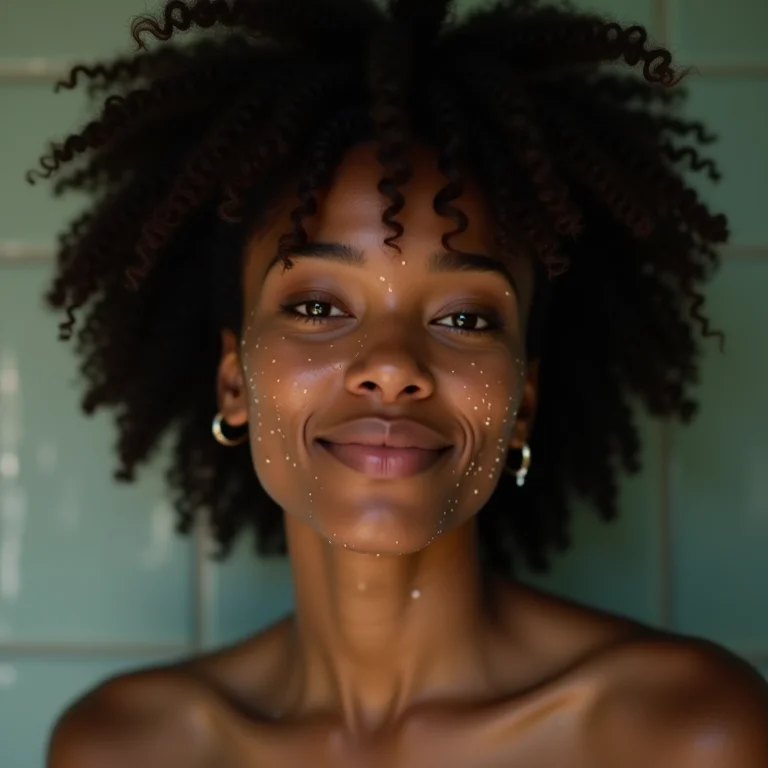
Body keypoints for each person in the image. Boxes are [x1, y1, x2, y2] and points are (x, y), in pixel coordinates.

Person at [31, 0, 767, 765]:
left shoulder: (684, 733)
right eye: (316, 306)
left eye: (467, 318)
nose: (391, 364)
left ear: (522, 402)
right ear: (234, 384)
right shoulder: (124, 750)